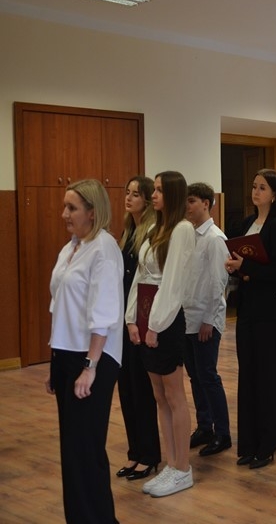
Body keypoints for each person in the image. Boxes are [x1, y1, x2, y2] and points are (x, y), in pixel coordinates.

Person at [47, 179, 124, 523]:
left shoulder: (103, 249)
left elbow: (103, 313)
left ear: (92, 212)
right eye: (65, 207)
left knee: (85, 450)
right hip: (67, 355)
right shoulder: (72, 247)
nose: (64, 214)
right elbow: (59, 305)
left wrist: (89, 366)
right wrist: (55, 361)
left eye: (72, 208)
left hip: (93, 359)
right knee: (72, 451)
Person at [126, 171, 196, 497]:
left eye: (158, 190)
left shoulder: (182, 229)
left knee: (174, 395)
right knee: (159, 396)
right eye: (153, 190)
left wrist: (156, 325)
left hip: (165, 322)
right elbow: (141, 277)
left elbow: (173, 283)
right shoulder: (156, 228)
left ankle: (183, 468)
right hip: (147, 318)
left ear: (173, 194)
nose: (153, 195)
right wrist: (132, 320)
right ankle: (171, 463)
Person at [225, 168, 276, 469]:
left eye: (262, 187)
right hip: (249, 308)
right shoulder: (247, 223)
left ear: (274, 194)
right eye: (254, 186)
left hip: (271, 311)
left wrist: (246, 267)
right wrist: (236, 267)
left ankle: (267, 444)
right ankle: (248, 443)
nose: (256, 191)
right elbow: (245, 263)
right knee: (248, 375)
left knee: (267, 377)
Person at [116, 176, 161, 482]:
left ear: (146, 200)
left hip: (141, 319)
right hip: (123, 318)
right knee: (126, 388)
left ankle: (150, 455)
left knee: (142, 389)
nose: (129, 198)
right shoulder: (127, 231)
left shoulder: (153, 232)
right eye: (127, 193)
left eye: (135, 194)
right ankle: (134, 452)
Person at [183, 183, 231, 456]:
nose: (187, 206)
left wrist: (209, 320)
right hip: (188, 317)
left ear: (206, 203)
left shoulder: (214, 238)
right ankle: (205, 426)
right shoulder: (189, 234)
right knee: (195, 376)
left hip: (205, 319)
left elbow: (217, 283)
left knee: (208, 376)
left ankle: (223, 433)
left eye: (191, 201)